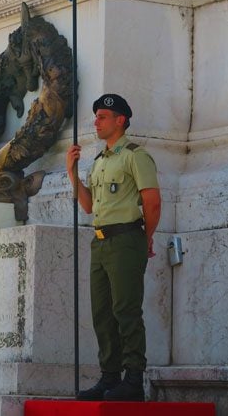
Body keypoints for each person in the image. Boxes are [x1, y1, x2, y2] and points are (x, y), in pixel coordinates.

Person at [66, 94, 161, 401]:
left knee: (126, 310)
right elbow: (89, 206)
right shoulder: (98, 162)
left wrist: (146, 237)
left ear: (120, 120)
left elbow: (152, 200)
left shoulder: (135, 156)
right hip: (101, 242)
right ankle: (110, 378)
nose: (97, 121)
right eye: (96, 116)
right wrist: (72, 173)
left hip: (126, 239)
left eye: (103, 116)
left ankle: (133, 379)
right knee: (102, 313)